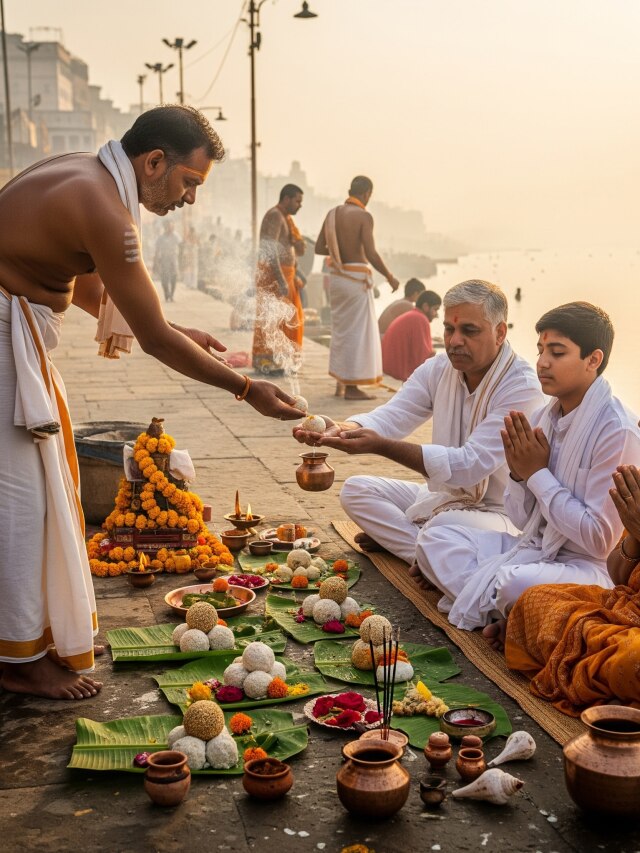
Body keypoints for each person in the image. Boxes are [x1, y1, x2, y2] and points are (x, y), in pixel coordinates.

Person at [0, 105, 301, 701]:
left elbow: (83, 283)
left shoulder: (88, 176)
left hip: (18, 326)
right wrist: (247, 391)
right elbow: (153, 336)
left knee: (33, 491)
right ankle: (18, 659)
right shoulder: (105, 208)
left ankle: (21, 642)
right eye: (189, 183)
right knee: (24, 499)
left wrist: (177, 327)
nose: (188, 199)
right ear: (154, 161)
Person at [418, 302, 640, 642]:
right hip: (534, 548)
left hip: (587, 568)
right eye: (540, 351)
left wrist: (536, 474)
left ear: (593, 360)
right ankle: (512, 615)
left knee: (513, 584)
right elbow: (522, 522)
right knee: (436, 537)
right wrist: (520, 477)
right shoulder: (541, 420)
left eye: (557, 352)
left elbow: (598, 540)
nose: (542, 363)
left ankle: (509, 609)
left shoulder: (616, 431)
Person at [294, 280, 544, 565]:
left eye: (469, 331)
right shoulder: (439, 368)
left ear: (500, 333)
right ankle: (431, 559)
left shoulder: (522, 387)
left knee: (439, 528)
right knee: (356, 490)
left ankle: (425, 552)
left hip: (500, 515)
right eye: (449, 329)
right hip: (445, 499)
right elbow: (392, 415)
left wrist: (381, 447)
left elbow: (467, 467)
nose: (454, 341)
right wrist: (344, 428)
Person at [504, 464, 640, 714]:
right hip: (628, 610)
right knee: (534, 598)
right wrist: (634, 534)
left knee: (633, 660)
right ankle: (606, 683)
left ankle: (601, 680)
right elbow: (619, 576)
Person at [315, 175, 400, 401]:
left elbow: (320, 247)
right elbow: (371, 253)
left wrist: (339, 252)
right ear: (366, 194)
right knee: (357, 333)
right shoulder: (363, 216)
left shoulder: (332, 214)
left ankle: (341, 384)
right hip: (356, 279)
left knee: (342, 331)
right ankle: (352, 389)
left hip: (337, 278)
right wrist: (389, 276)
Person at [251, 184, 305, 376]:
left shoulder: (286, 219)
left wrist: (295, 274)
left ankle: (281, 360)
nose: (300, 205)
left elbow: (293, 250)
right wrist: (281, 279)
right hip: (276, 276)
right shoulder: (275, 215)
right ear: (287, 199)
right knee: (275, 318)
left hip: (286, 274)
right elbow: (270, 248)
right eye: (297, 201)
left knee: (287, 318)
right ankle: (269, 361)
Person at [382, 290, 441, 381]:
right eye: (435, 309)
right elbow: (422, 358)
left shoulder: (413, 315)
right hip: (398, 372)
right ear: (425, 307)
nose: (436, 314)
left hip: (388, 367)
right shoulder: (420, 319)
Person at [153, 220, 180, 302]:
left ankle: (171, 295)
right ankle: (166, 294)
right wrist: (156, 261)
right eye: (169, 226)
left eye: (172, 226)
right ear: (165, 227)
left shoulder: (176, 236)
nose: (171, 228)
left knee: (174, 277)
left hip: (173, 259)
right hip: (164, 259)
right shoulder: (161, 238)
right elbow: (157, 251)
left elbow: (181, 247)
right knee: (164, 278)